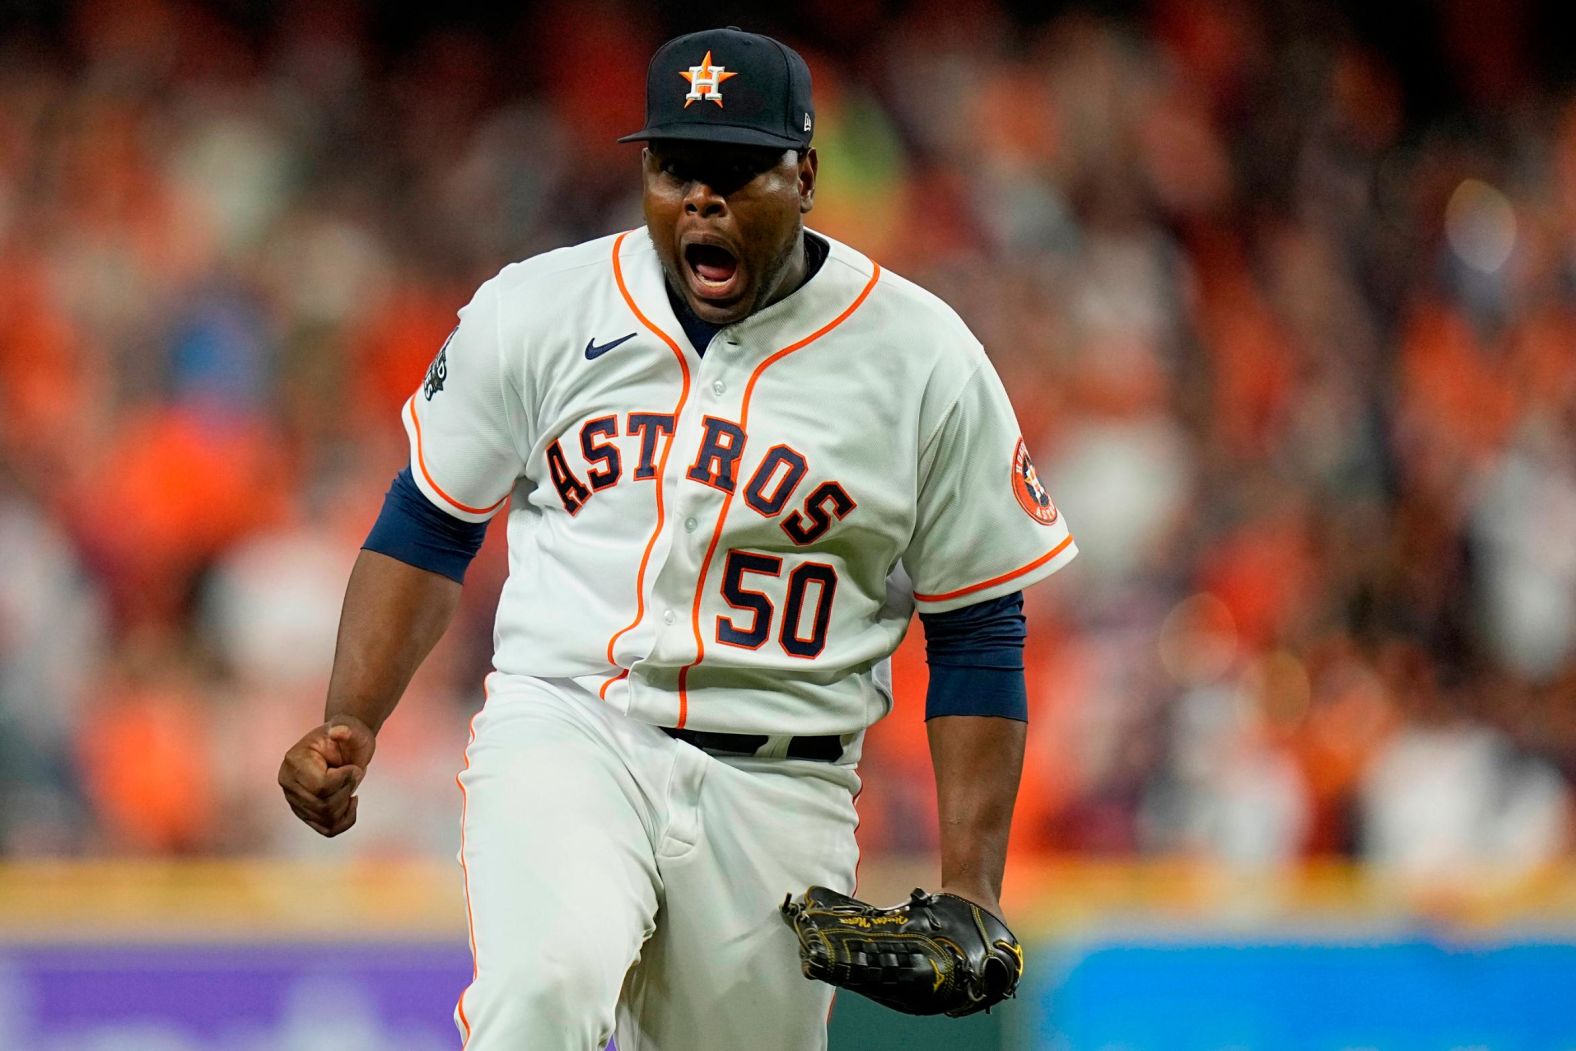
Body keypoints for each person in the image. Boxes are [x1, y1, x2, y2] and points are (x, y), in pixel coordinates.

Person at [277, 25, 1076, 1050]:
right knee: (545, 991)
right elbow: (429, 523)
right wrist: (352, 719)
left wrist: (971, 886)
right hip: (571, 726)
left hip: (785, 785)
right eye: (675, 168)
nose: (701, 198)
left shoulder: (922, 359)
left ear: (807, 176)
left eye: (737, 171)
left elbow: (977, 627)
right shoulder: (539, 310)